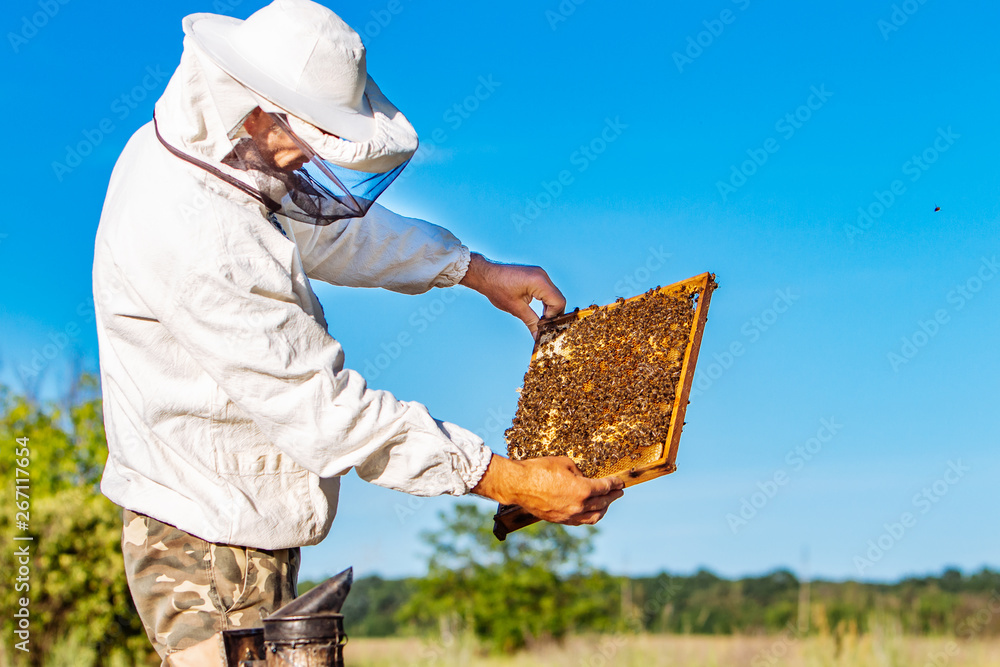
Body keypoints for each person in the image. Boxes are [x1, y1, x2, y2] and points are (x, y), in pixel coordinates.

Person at [92, 0, 624, 663]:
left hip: (234, 523)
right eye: (312, 144)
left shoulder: (222, 154)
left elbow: (334, 232)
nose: (312, 167)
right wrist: (508, 479)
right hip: (206, 546)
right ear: (258, 111)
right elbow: (332, 415)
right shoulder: (199, 232)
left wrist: (474, 270)